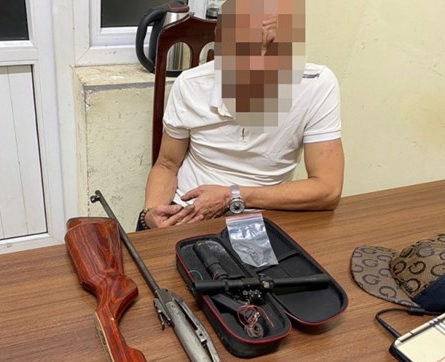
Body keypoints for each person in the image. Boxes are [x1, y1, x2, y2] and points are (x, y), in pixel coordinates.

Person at [138, 0, 344, 230]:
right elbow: (167, 165)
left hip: (265, 215)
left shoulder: (317, 84)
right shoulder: (190, 84)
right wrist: (151, 215)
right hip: (188, 211)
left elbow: (328, 189)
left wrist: (233, 196)